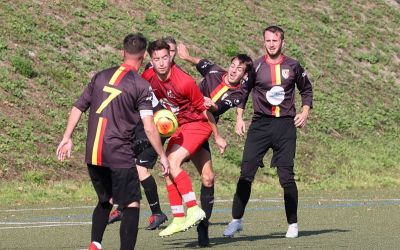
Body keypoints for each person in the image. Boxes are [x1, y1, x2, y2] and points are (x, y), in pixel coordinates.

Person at [56, 33, 169, 250]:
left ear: (122, 52)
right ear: (145, 55)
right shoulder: (140, 85)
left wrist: (67, 137)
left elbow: (78, 106)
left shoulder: (100, 76)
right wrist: (162, 155)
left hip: (93, 153)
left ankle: (95, 244)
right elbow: (149, 126)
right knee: (131, 204)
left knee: (106, 200)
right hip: (120, 154)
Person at [223, 25, 313, 239]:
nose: (271, 44)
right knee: (246, 173)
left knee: (286, 177)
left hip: (284, 126)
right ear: (264, 42)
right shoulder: (255, 67)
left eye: (275, 40)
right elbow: (243, 92)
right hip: (260, 125)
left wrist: (305, 111)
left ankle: (292, 224)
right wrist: (239, 118)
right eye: (268, 41)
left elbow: (306, 89)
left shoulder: (293, 66)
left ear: (282, 42)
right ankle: (236, 220)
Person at [142, 39, 227, 238]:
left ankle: (193, 209)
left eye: (165, 57)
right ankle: (179, 217)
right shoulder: (148, 76)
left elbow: (205, 111)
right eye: (157, 59)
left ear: (171, 57)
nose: (162, 62)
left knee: (172, 162)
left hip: (198, 125)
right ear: (151, 60)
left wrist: (217, 136)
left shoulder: (184, 81)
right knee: (167, 169)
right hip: (181, 127)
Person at [178, 42, 253, 246]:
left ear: (244, 76)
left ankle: (203, 226)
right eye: (233, 65)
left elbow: (213, 109)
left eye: (239, 69)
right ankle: (175, 213)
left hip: (200, 131)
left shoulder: (237, 95)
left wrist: (214, 107)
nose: (234, 70)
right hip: (179, 123)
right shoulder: (213, 70)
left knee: (209, 178)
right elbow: (199, 62)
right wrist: (185, 56)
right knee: (169, 166)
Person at [108, 36, 177, 229]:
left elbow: (161, 122)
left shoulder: (141, 83)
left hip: (156, 130)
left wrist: (149, 142)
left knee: (140, 169)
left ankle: (157, 213)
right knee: (123, 166)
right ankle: (120, 208)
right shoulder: (137, 78)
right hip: (140, 129)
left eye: (165, 57)